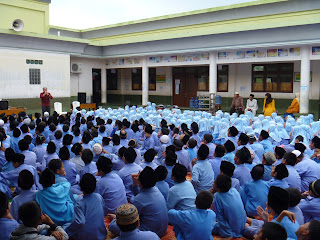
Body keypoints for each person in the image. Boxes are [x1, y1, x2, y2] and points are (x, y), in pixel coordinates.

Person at [66, 173, 107, 240]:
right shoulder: (99, 197)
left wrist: (67, 231)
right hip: (101, 234)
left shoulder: (79, 204)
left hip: (86, 236)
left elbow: (80, 222)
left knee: (66, 225)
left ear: (81, 188)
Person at [212, 174, 247, 238]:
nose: (212, 183)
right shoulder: (234, 190)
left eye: (214, 182)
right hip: (241, 226)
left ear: (219, 189)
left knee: (209, 225)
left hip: (230, 230)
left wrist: (227, 233)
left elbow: (220, 218)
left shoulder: (217, 196)